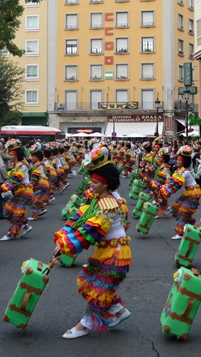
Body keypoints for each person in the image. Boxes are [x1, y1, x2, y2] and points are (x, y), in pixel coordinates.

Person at [54, 145, 131, 339]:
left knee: (98, 289)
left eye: (95, 181)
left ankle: (85, 324)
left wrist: (66, 246)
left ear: (105, 184)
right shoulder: (100, 199)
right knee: (89, 284)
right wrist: (62, 236)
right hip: (107, 250)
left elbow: (91, 232)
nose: (91, 184)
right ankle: (119, 311)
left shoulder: (108, 204)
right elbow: (80, 218)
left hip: (115, 253)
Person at [160, 145, 201, 240]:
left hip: (193, 193)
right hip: (188, 192)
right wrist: (163, 188)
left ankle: (180, 232)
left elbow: (176, 185)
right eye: (177, 160)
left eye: (179, 160)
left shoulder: (185, 172)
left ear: (183, 162)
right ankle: (196, 228)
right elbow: (172, 182)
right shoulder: (179, 170)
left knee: (183, 212)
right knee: (176, 209)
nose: (177, 161)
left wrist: (166, 192)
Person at [0, 139, 33, 241]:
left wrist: (3, 188)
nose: (9, 157)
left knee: (17, 213)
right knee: (8, 211)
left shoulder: (21, 167)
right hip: (18, 192)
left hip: (24, 193)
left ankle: (11, 233)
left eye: (11, 155)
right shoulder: (14, 166)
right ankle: (25, 226)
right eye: (9, 155)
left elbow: (15, 181)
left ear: (16, 156)